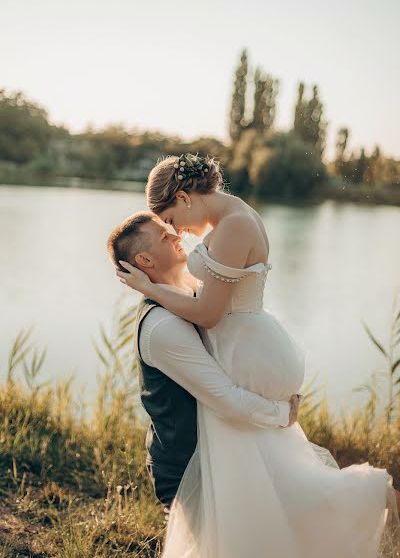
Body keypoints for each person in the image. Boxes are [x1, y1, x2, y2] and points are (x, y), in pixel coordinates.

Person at [117, 154, 399, 557]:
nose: (177, 232)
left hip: (244, 345)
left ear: (183, 196)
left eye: (170, 221)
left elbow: (211, 314)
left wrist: (149, 288)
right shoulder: (232, 218)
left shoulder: (233, 226)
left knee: (248, 459)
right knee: (267, 470)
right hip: (246, 340)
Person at [107, 212, 301, 517]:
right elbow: (226, 400)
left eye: (169, 228)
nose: (176, 235)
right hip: (189, 471)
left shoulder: (193, 297)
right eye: (164, 236)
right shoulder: (162, 326)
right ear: (145, 260)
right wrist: (282, 412)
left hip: (219, 456)